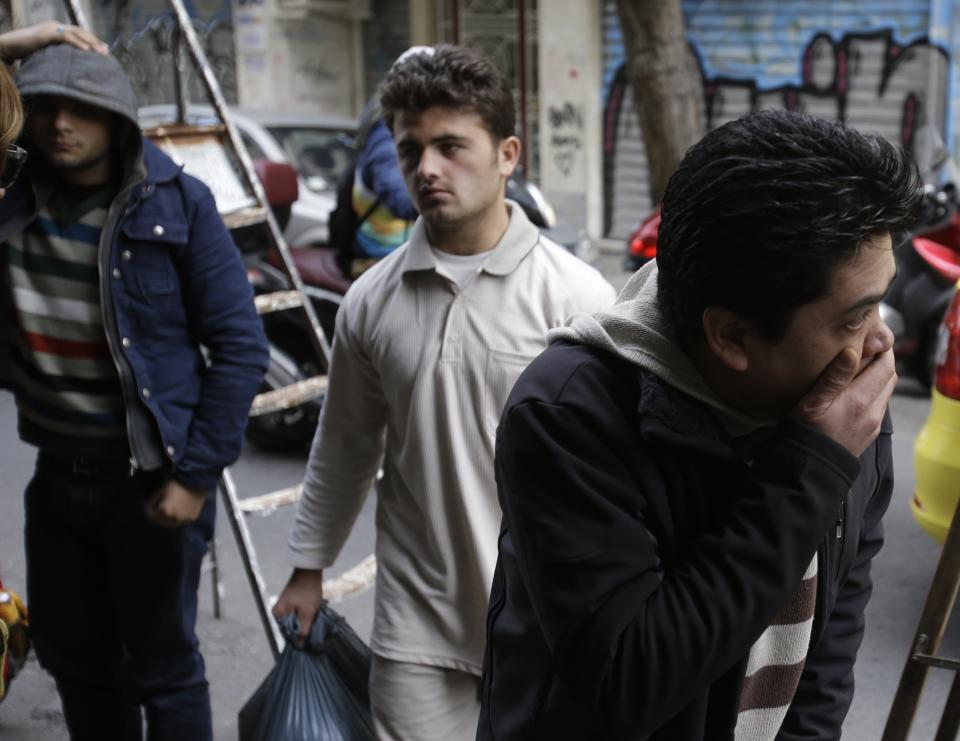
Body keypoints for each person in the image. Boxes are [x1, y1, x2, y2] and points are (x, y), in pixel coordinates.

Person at [478, 109, 923, 740]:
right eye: (853, 318)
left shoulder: (844, 403)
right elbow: (626, 683)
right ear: (733, 335)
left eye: (880, 303)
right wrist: (811, 467)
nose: (879, 342)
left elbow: (825, 654)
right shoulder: (568, 414)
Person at [273, 44, 615, 739]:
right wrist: (309, 570)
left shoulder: (578, 297)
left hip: (549, 620)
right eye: (411, 150)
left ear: (508, 154)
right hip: (417, 624)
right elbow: (343, 443)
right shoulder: (371, 301)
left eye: (451, 146)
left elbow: (620, 472)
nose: (426, 168)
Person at [0, 40, 269, 740]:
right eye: (45, 105)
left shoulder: (177, 202)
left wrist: (195, 477)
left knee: (164, 667)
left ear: (115, 114)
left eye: (81, 106)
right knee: (76, 662)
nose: (61, 122)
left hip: (149, 483)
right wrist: (10, 46)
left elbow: (241, 348)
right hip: (57, 481)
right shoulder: (10, 192)